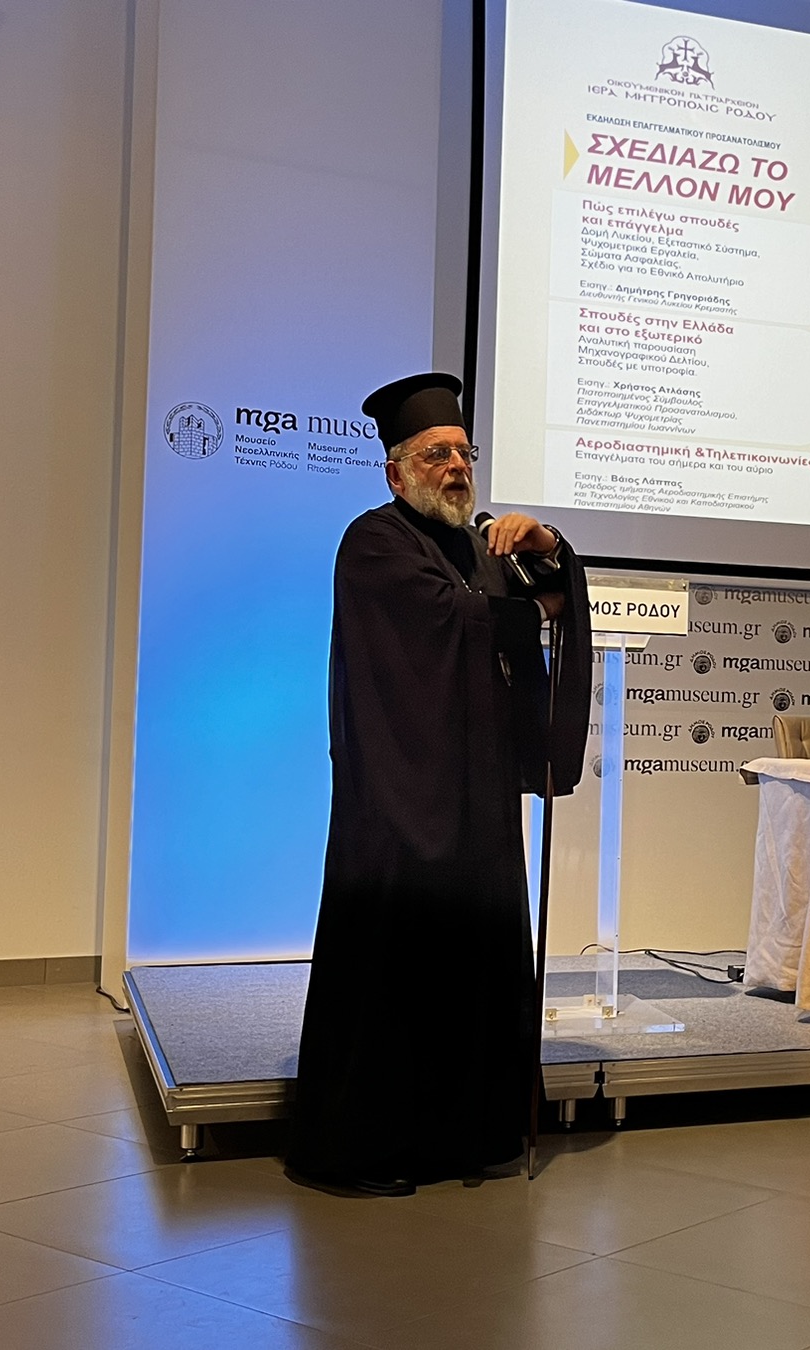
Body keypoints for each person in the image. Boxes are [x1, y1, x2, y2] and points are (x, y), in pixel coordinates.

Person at [287, 372, 591, 1196]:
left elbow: (549, 592)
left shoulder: (478, 545)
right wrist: (536, 608)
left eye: (463, 453)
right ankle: (357, 1152)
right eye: (435, 455)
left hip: (476, 796)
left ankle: (465, 1136)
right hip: (399, 801)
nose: (456, 467)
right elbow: (450, 621)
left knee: (472, 966)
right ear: (396, 472)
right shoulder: (374, 541)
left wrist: (548, 546)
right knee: (391, 971)